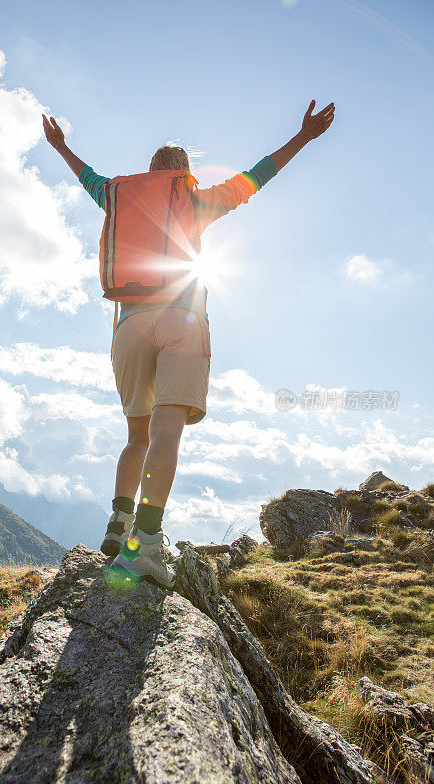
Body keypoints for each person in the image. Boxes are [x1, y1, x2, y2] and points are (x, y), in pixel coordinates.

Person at [43, 99, 335, 589]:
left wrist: (62, 146)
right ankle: (144, 547)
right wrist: (303, 137)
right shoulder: (194, 201)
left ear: (150, 171)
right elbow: (254, 178)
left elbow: (86, 174)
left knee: (137, 436)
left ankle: (118, 526)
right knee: (166, 435)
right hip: (181, 318)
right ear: (185, 174)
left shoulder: (116, 195)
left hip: (129, 327)